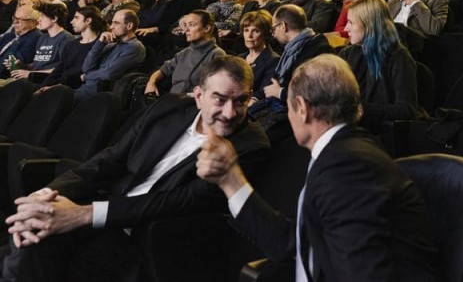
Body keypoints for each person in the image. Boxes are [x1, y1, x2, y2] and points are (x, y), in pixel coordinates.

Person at [1, 56, 270, 282]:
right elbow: (110, 159)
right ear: (198, 96)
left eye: (241, 101)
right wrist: (46, 194)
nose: (230, 112)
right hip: (107, 213)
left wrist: (84, 215)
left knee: (40, 246)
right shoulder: (169, 108)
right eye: (220, 99)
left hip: (150, 240)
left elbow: (176, 201)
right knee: (32, 229)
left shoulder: (250, 146)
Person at [195, 54, 438, 281]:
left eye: (288, 107)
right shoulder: (341, 153)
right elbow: (291, 242)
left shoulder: (348, 168)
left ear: (301, 107)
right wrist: (230, 179)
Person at [339, 0, 423, 133]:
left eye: (351, 22)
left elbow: (407, 110)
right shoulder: (347, 54)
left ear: (369, 24)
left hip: (379, 133)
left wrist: (361, 109)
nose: (346, 28)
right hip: (349, 129)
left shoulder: (399, 57)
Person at [262, 5, 333, 103]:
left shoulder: (318, 50)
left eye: (274, 29)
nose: (274, 35)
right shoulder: (292, 49)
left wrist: (280, 92)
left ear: (283, 26)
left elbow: (315, 94)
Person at [145, 10, 226, 96]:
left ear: (206, 28)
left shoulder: (217, 54)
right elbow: (164, 69)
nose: (186, 30)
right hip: (171, 100)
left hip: (193, 104)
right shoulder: (185, 52)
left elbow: (216, 89)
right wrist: (151, 82)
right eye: (186, 25)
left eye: (192, 25)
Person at [77, 9, 145, 99]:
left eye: (116, 23)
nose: (111, 27)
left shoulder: (135, 47)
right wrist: (100, 43)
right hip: (86, 89)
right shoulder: (110, 46)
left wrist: (86, 77)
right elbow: (86, 68)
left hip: (101, 93)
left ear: (129, 26)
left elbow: (109, 74)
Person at [38, 6, 105, 90]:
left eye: (76, 18)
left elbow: (85, 75)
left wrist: (54, 87)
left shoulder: (99, 46)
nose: (71, 22)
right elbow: (58, 70)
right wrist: (42, 87)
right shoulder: (71, 44)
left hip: (75, 89)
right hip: (59, 86)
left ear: (88, 20)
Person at [5, 2, 73, 82]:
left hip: (46, 81)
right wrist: (22, 65)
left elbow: (63, 69)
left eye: (42, 16)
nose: (38, 19)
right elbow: (37, 65)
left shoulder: (65, 38)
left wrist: (31, 73)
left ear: (54, 18)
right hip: (31, 79)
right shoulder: (43, 38)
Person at [238, 10, 279, 102]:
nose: (249, 36)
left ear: (265, 34)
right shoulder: (239, 58)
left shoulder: (273, 60)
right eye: (246, 30)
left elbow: (263, 92)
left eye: (255, 31)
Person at [0, 5, 41, 78]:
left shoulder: (35, 37)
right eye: (15, 18)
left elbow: (11, 63)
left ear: (33, 22)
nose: (15, 22)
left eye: (21, 20)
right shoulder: (10, 35)